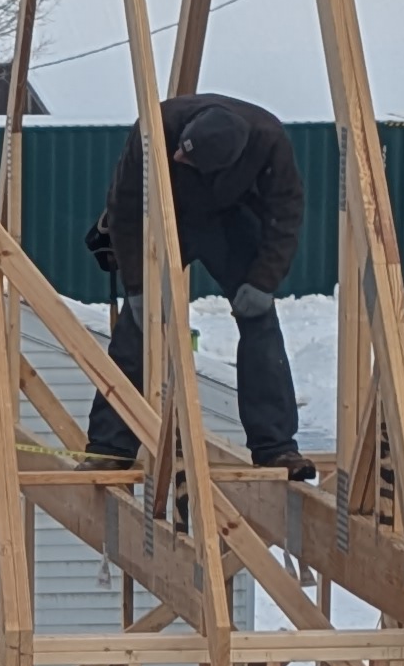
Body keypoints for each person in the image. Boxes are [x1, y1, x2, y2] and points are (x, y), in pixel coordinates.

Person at [87, 80, 304, 468]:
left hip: (232, 222)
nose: (177, 157)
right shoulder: (156, 128)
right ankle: (110, 447)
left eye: (187, 159)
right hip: (169, 218)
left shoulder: (269, 139)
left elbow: (285, 215)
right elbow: (124, 209)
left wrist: (263, 281)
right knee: (136, 328)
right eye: (180, 151)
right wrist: (137, 286)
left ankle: (276, 448)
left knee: (260, 321)